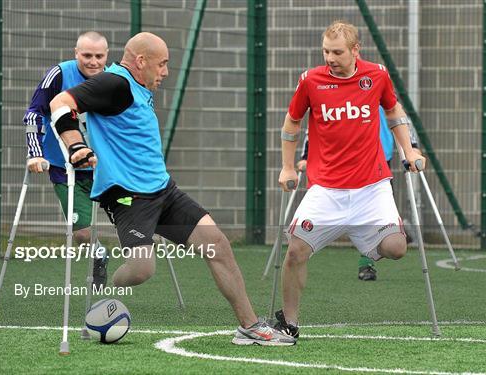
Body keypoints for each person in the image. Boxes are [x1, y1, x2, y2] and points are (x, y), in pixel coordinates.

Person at [48, 32, 295, 346]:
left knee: (217, 243)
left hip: (163, 190)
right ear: (141, 61)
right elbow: (61, 102)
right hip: (128, 196)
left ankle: (250, 326)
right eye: (162, 64)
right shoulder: (115, 84)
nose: (165, 72)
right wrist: (75, 144)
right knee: (140, 270)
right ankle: (107, 294)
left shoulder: (139, 85)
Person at [274, 21, 425, 339]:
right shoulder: (311, 81)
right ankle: (288, 322)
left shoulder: (377, 75)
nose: (330, 57)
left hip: (372, 185)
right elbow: (292, 122)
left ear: (355, 50)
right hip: (326, 187)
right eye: (326, 51)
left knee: (397, 248)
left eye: (337, 52)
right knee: (296, 251)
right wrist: (288, 167)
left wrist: (408, 151)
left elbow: (394, 111)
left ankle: (361, 235)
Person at [24, 31, 110, 287]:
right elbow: (33, 114)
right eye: (87, 55)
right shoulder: (59, 74)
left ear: (107, 55)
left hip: (105, 165)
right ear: (76, 53)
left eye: (99, 56)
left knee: (135, 214)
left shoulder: (114, 78)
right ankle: (99, 254)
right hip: (66, 167)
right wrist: (34, 152)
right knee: (82, 234)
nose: (93, 62)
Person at [297, 107, 420, 281]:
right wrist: (306, 155)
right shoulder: (338, 95)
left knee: (374, 217)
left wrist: (413, 148)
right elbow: (316, 124)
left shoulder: (382, 90)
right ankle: (366, 256)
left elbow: (400, 118)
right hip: (342, 164)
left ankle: (369, 258)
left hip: (378, 163)